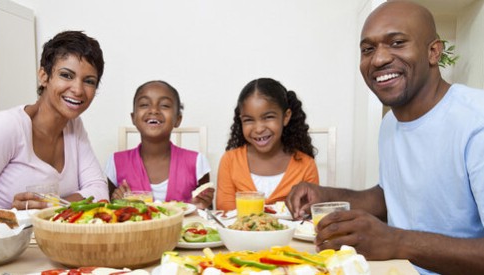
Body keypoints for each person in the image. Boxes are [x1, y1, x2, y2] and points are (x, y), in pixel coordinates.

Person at [286, 1, 484, 274]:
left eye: (397, 42)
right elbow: (393, 194)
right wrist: (325, 196)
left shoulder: (476, 122)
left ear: (434, 52)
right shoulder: (391, 123)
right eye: (368, 49)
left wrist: (396, 241)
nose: (378, 59)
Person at [0, 31, 109, 211]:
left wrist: (49, 205)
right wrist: (12, 216)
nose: (78, 89)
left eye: (89, 81)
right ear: (44, 76)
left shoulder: (74, 126)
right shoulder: (5, 128)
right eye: (66, 75)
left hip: (38, 238)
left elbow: (99, 191)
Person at [104, 80, 214, 209]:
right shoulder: (116, 163)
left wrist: (202, 206)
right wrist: (116, 202)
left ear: (178, 119)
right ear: (133, 117)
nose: (154, 110)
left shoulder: (197, 163)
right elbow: (110, 212)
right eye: (144, 104)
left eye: (165, 105)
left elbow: (208, 212)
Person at [216, 78, 319, 211]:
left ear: (286, 117)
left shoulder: (306, 165)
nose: (258, 129)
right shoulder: (230, 161)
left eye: (268, 117)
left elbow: (307, 216)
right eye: (248, 120)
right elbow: (224, 213)